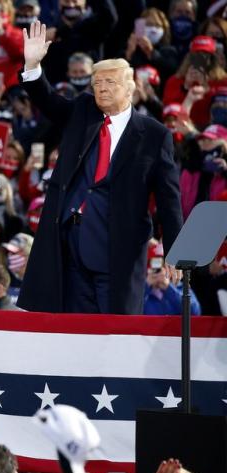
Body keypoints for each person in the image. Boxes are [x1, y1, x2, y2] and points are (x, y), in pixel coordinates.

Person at [17, 22, 183, 315]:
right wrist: (32, 65)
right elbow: (49, 102)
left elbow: (169, 199)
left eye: (110, 83)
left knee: (115, 335)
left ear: (130, 89)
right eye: (97, 83)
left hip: (117, 249)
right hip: (70, 244)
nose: (101, 89)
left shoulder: (155, 136)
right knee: (73, 333)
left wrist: (175, 247)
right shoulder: (82, 110)